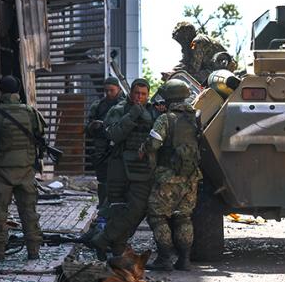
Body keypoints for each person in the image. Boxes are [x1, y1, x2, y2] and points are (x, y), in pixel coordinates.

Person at [0, 75, 47, 260]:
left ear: (1, 91)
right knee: (29, 211)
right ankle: (34, 250)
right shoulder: (31, 113)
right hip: (26, 170)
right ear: (18, 91)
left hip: (1, 171)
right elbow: (40, 136)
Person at [87, 78, 159, 260]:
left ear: (148, 95)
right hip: (119, 166)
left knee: (138, 208)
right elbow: (113, 135)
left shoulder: (153, 110)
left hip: (141, 168)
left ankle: (103, 239)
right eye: (136, 93)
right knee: (117, 208)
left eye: (143, 94)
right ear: (130, 93)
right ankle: (116, 249)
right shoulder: (118, 110)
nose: (139, 97)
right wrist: (132, 115)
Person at [139, 79, 201, 271]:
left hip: (168, 177)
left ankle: (164, 259)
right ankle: (184, 260)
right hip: (191, 177)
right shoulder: (196, 117)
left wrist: (143, 149)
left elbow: (153, 144)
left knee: (157, 216)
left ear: (168, 98)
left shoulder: (166, 119)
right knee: (183, 217)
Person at [86, 77, 125, 208]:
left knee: (119, 178)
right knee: (103, 179)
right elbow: (88, 128)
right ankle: (103, 206)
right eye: (106, 90)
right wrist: (94, 126)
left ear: (118, 89)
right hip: (102, 148)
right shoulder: (98, 105)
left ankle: (117, 205)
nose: (108, 93)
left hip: (118, 147)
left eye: (111, 90)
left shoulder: (126, 104)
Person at [166, 22, 236, 84]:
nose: (181, 43)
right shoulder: (190, 46)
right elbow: (185, 62)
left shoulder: (197, 42)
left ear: (186, 37)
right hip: (216, 70)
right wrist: (174, 71)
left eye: (181, 39)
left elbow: (194, 68)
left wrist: (175, 74)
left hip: (223, 70)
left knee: (190, 78)